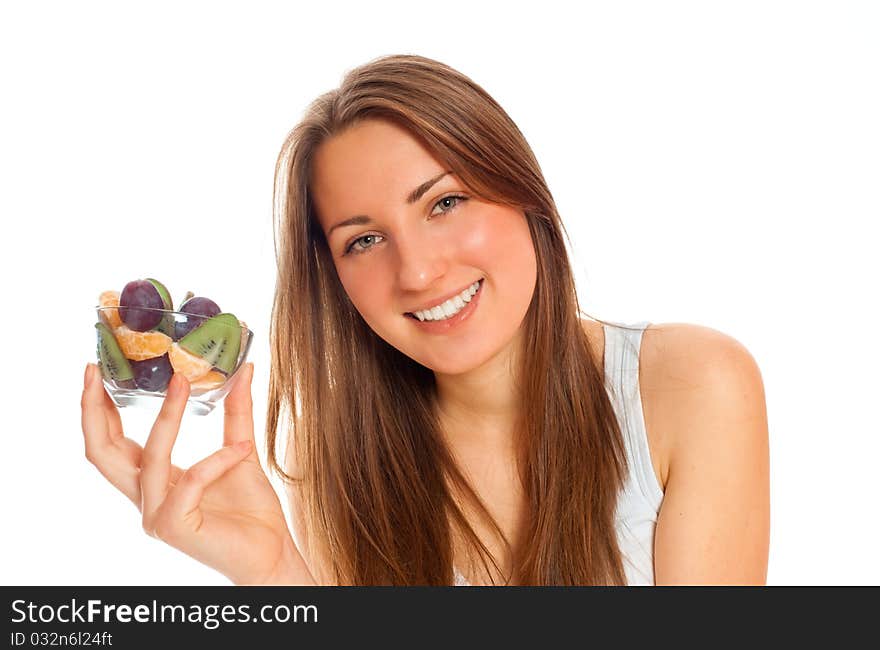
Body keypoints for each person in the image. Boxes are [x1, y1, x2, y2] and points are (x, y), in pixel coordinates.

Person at [80, 54, 770, 586]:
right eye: (364, 240)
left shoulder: (692, 387)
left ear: (521, 189)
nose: (416, 272)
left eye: (444, 204)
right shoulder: (348, 477)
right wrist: (275, 578)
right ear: (336, 281)